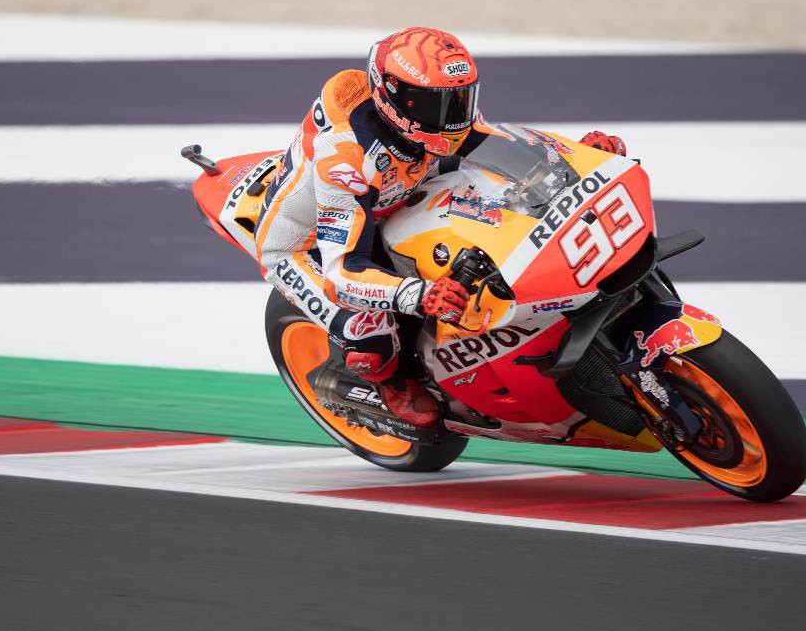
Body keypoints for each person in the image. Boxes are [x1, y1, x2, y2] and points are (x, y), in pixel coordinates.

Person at [255, 27, 626, 427]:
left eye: (461, 98)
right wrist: (422, 295)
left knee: (495, 206)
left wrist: (576, 158)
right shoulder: (346, 162)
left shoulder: (434, 119)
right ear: (395, 98)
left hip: (392, 196)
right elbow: (342, 274)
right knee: (369, 327)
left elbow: (495, 145)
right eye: (439, 104)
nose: (455, 115)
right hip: (307, 242)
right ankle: (386, 380)